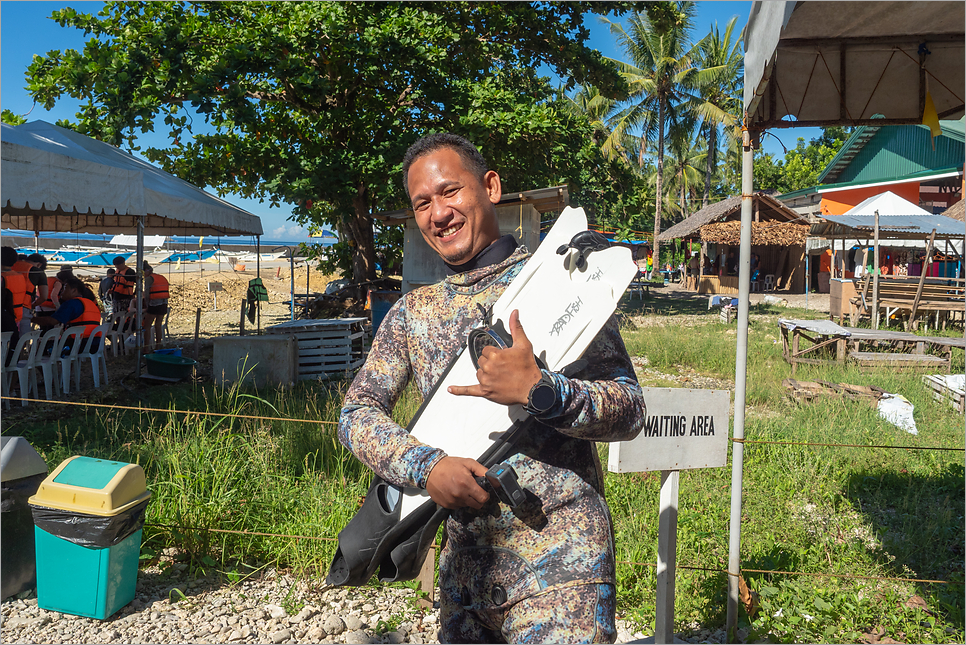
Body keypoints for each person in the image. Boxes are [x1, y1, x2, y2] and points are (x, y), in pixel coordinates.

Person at [338, 133, 646, 644]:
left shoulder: (561, 280)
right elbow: (356, 413)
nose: (439, 213)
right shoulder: (412, 313)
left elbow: (631, 408)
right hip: (466, 576)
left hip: (562, 565)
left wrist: (542, 391)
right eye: (422, 203)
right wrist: (425, 466)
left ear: (491, 187)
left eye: (450, 192)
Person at [32, 275, 102, 355]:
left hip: (77, 345)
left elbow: (52, 321)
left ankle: (41, 366)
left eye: (64, 288)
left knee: (42, 344)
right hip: (95, 344)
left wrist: (31, 318)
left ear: (74, 291)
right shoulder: (90, 303)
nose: (61, 291)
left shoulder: (71, 304)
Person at [139, 262, 169, 348]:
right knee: (158, 324)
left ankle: (146, 347)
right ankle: (158, 346)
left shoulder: (149, 279)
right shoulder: (160, 277)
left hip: (154, 303)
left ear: (145, 271)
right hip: (164, 303)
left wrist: (147, 305)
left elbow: (147, 293)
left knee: (147, 325)